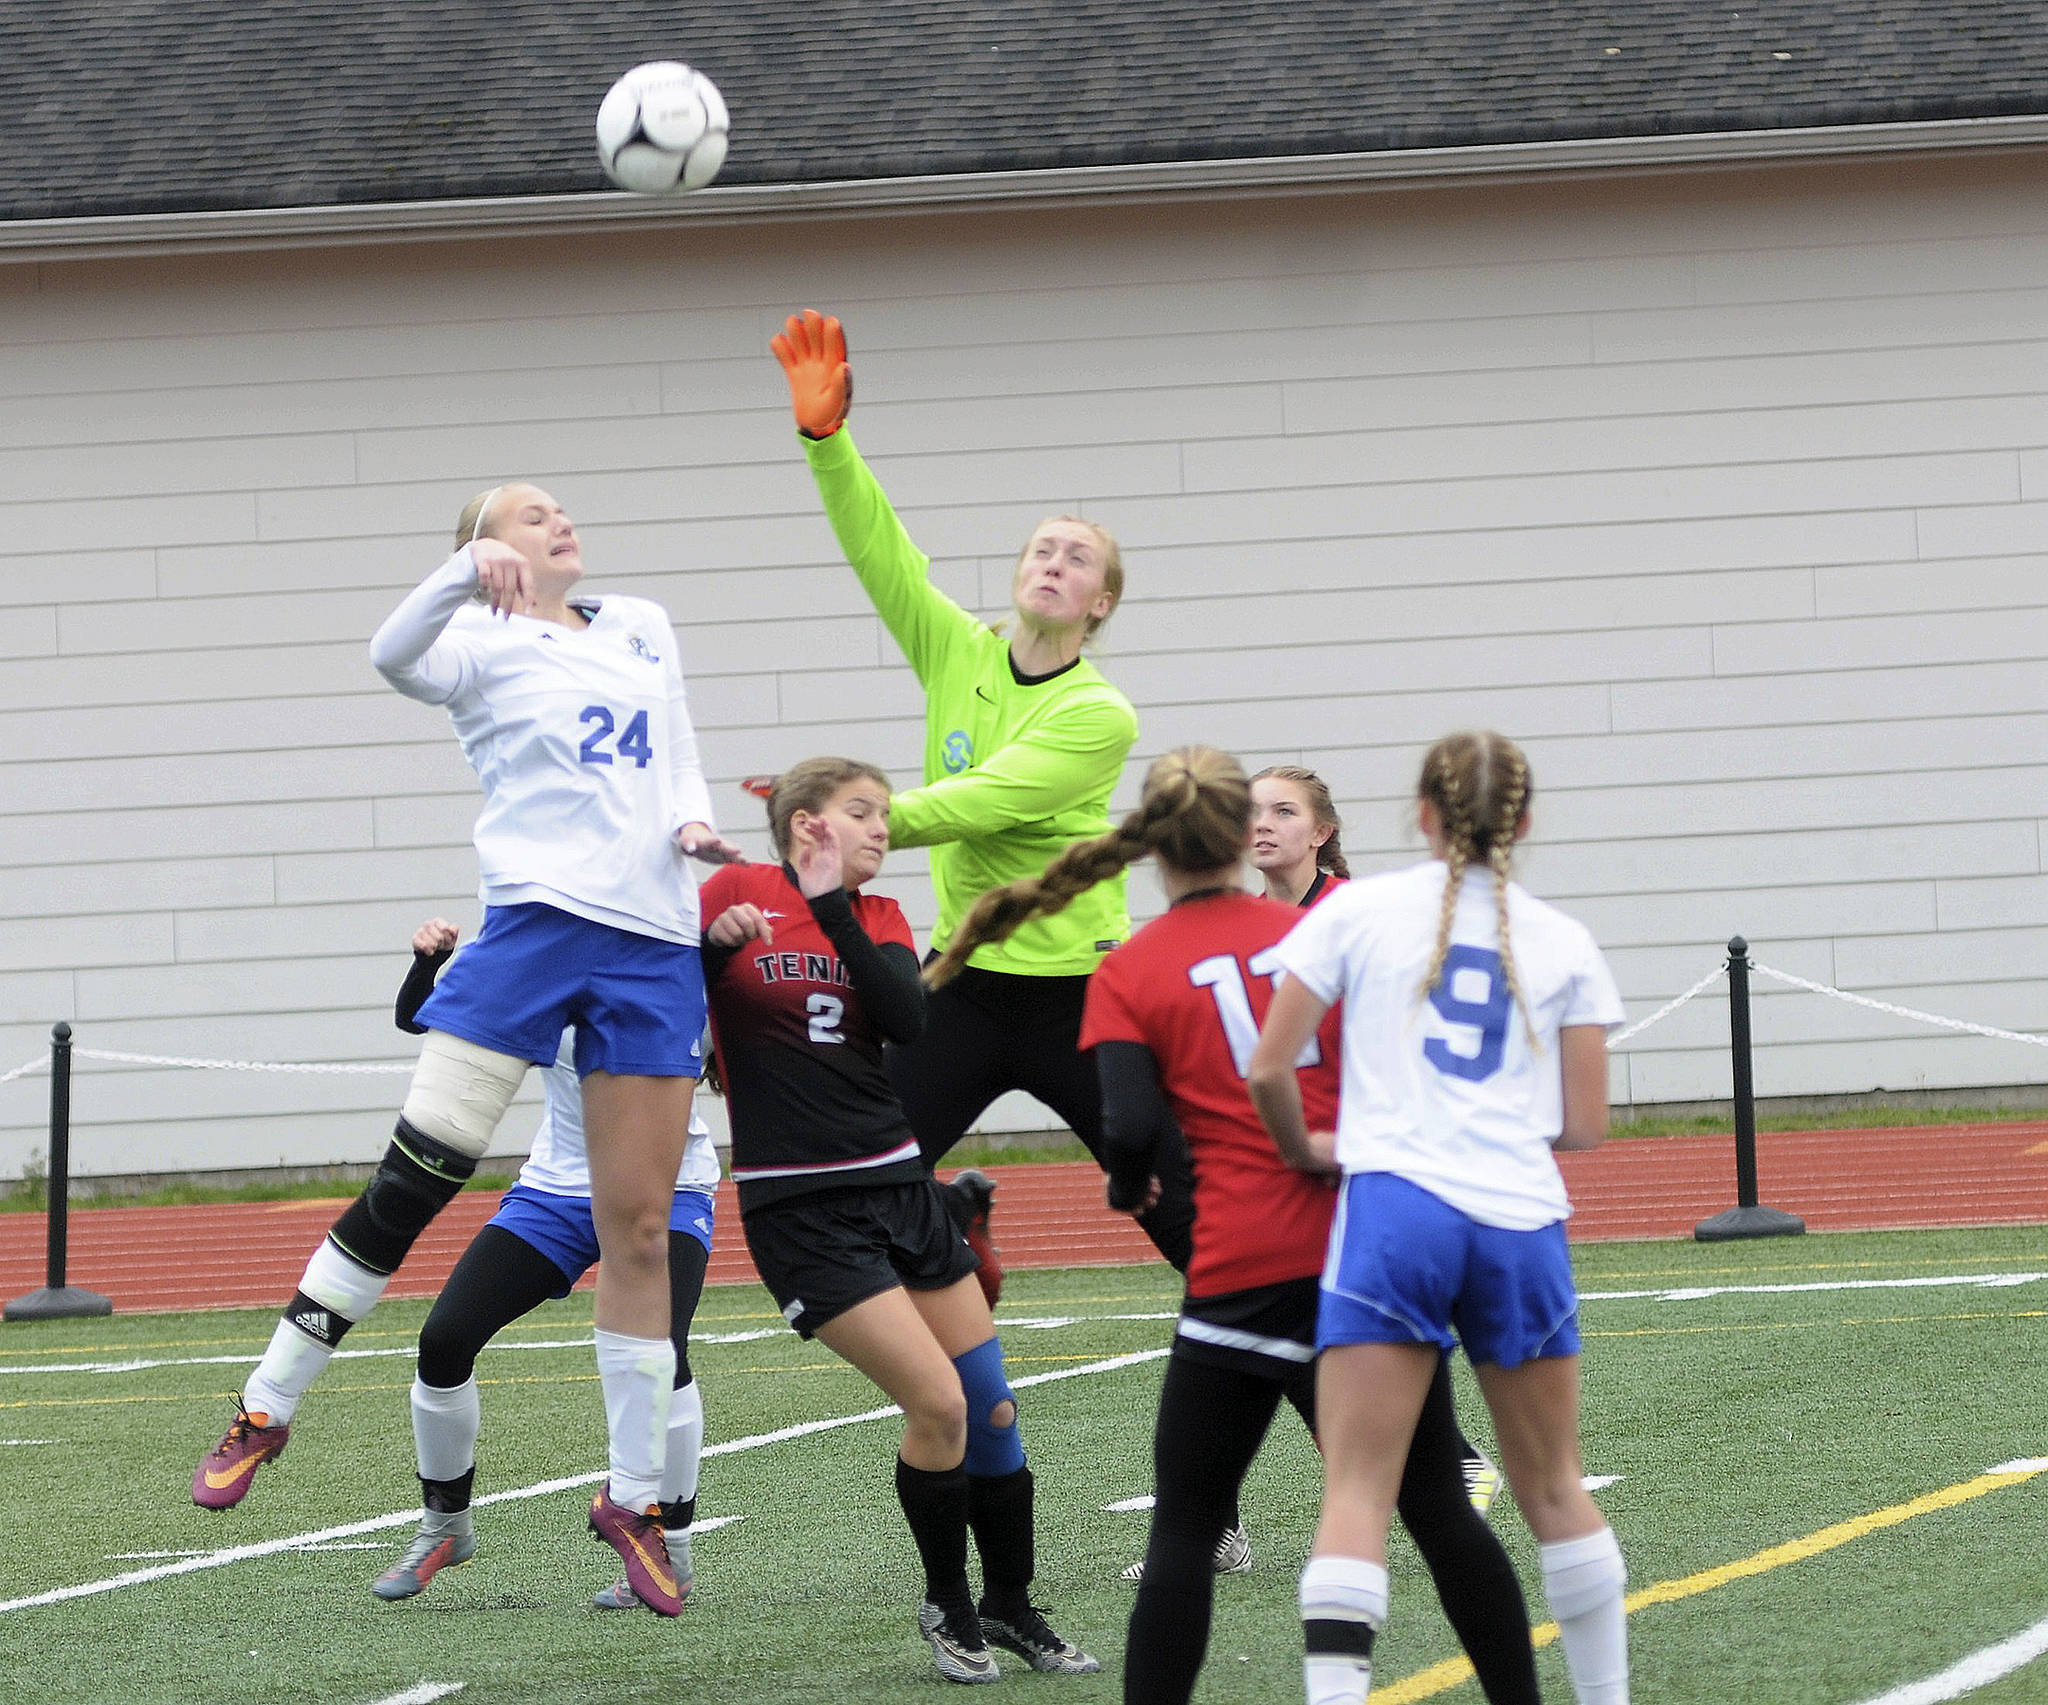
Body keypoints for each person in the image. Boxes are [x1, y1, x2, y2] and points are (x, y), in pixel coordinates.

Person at [193, 483, 739, 1618]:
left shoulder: (640, 621)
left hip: (648, 944)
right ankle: (264, 1405)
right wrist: (462, 569)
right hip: (533, 924)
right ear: (490, 546)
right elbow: (386, 653)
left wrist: (689, 825)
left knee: (641, 1225)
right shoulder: (474, 640)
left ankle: (635, 1503)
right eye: (527, 512)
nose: (559, 519)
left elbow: (677, 747)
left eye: (559, 507)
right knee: (414, 1181)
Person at [935, 748, 1542, 1705]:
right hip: (1365, 1255)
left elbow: (1129, 1126)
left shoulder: (1129, 968)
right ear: (1235, 835)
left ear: (1150, 845)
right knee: (1437, 1508)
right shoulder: (1329, 927)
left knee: (1185, 1525)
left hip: (1242, 1265)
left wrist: (1129, 1183)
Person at [770, 311, 1191, 1289]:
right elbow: (881, 553)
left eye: (1075, 558)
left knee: (1202, 1231)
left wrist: (859, 825)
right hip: (960, 979)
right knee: (849, 1191)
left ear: (1101, 603)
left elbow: (984, 800)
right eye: (1039, 549)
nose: (1051, 562)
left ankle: (1427, 1450)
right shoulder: (957, 650)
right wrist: (826, 444)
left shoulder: (1100, 714)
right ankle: (952, 1256)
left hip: (1081, 997)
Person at [1248, 731, 1629, 1705]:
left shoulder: (1358, 911)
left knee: (1356, 1491)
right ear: (1525, 823)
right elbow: (1582, 1124)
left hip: (1393, 1210)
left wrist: (1306, 1149)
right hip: (1515, 1221)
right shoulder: (1561, 938)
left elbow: (1267, 1065)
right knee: (1554, 1488)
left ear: (1417, 815)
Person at [698, 757, 1097, 1684]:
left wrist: (835, 905)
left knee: (993, 1411)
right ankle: (947, 1600)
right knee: (940, 1403)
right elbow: (680, 999)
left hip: (901, 1188)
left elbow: (906, 1017)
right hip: (803, 1207)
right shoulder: (734, 890)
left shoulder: (875, 914)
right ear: (807, 824)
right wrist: (714, 950)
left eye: (883, 813)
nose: (884, 828)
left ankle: (1010, 1604)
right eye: (863, 812)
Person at [368, 919, 719, 1613]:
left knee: (663, 1350)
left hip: (664, 1189)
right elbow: (419, 1016)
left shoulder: (679, 955)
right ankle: (445, 1524)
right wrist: (429, 960)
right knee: (444, 1338)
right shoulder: (540, 952)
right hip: (557, 1191)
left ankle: (669, 1548)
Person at [1251, 766, 1351, 907]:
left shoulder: (1354, 907)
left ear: (1320, 833)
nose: (1262, 824)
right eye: (1252, 812)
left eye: (1284, 812)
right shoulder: (1247, 921)